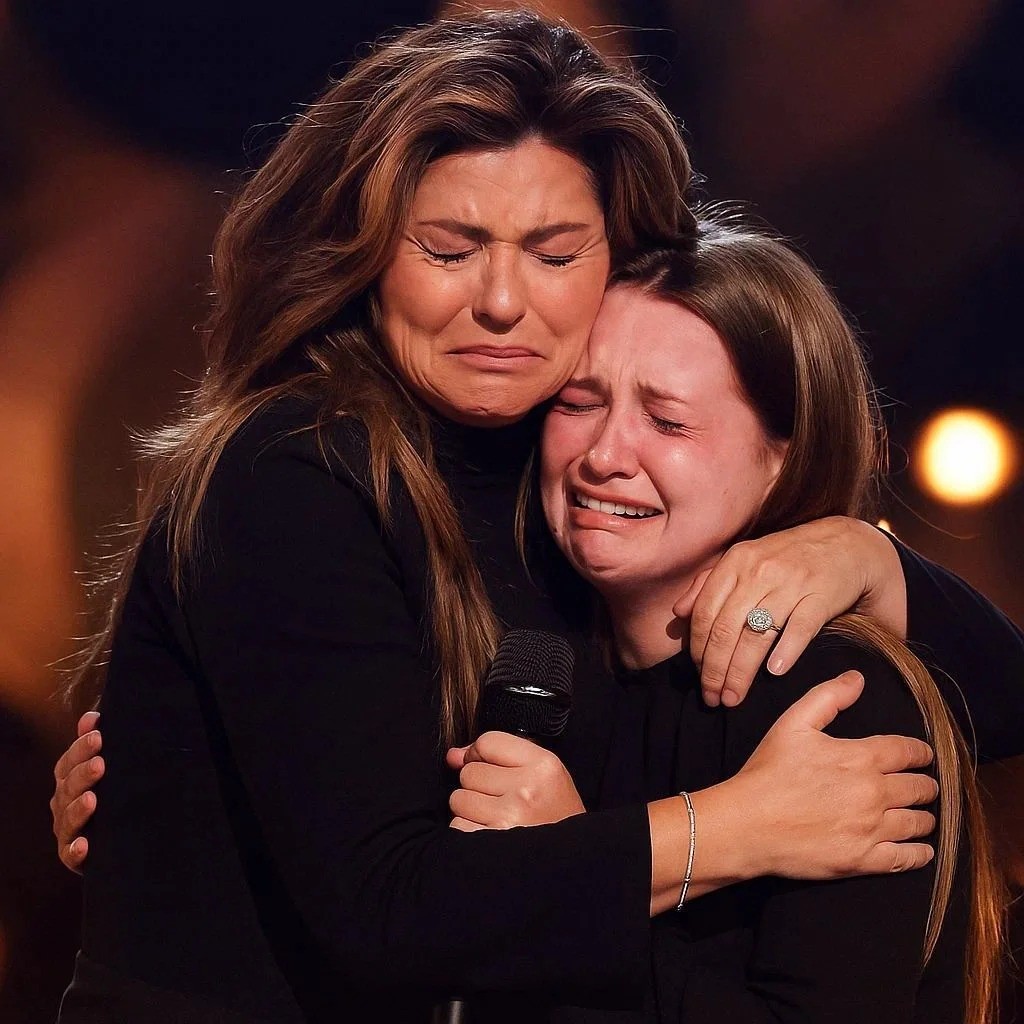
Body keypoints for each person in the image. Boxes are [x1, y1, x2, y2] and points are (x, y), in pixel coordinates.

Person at [49, 10, 1023, 1023]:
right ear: (367, 249)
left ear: (616, 263)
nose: (503, 301)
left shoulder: (558, 489)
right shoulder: (292, 472)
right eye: (451, 245)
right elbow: (388, 909)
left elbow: (999, 706)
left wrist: (862, 556)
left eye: (555, 252)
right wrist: (728, 829)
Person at [447, 217, 1006, 1022]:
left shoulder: (830, 692)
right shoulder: (544, 662)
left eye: (667, 421)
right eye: (580, 401)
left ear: (784, 453)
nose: (604, 453)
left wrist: (580, 878)